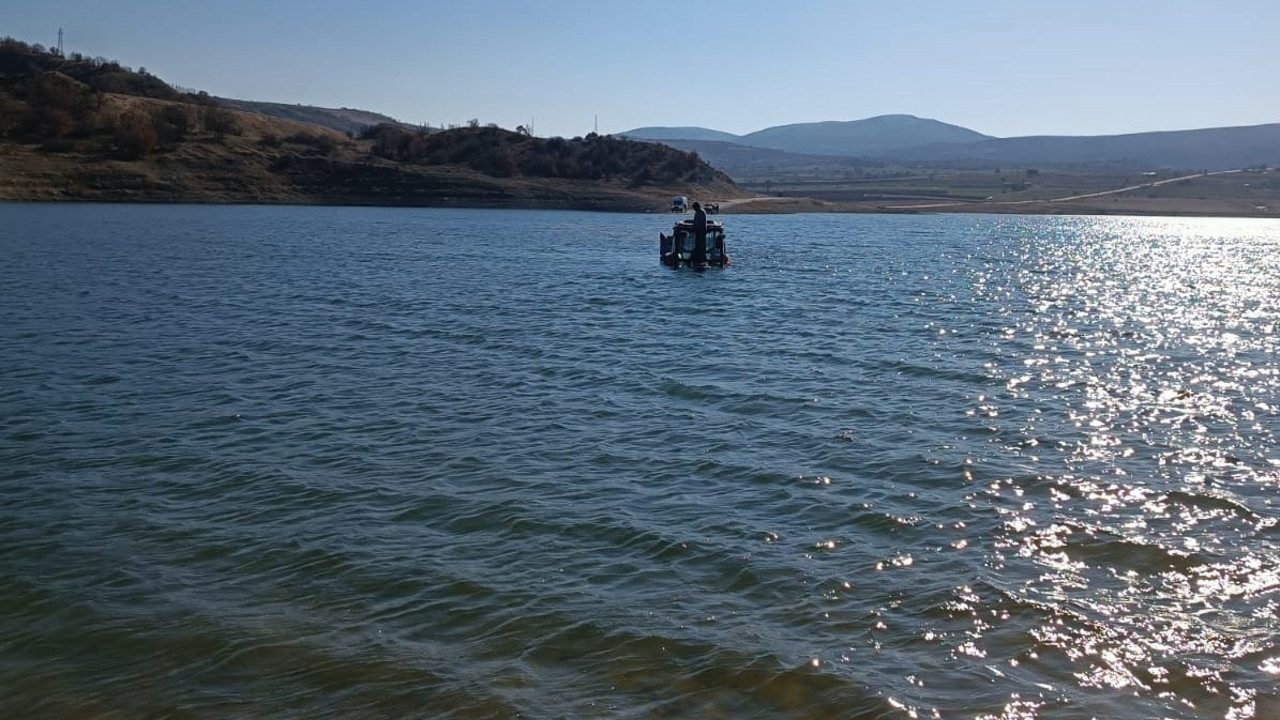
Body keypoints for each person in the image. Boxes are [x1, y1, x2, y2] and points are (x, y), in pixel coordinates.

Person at [690, 201, 708, 266]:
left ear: (697, 207)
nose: (694, 209)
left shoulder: (702, 212)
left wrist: (695, 227)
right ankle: (696, 257)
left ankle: (702, 258)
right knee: (697, 244)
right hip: (697, 231)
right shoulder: (697, 212)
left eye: (694, 208)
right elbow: (695, 222)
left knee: (701, 245)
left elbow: (699, 223)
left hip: (701, 231)